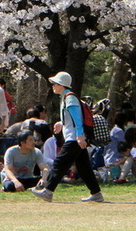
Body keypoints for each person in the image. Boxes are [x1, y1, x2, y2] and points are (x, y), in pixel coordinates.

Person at [31, 71, 103, 203]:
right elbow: (71, 117)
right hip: (76, 137)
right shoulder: (67, 97)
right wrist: (61, 123)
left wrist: (80, 136)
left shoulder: (69, 98)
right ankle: (96, 193)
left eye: (55, 83)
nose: (53, 85)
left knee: (60, 163)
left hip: (74, 138)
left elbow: (77, 118)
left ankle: (48, 191)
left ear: (62, 85)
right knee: (84, 166)